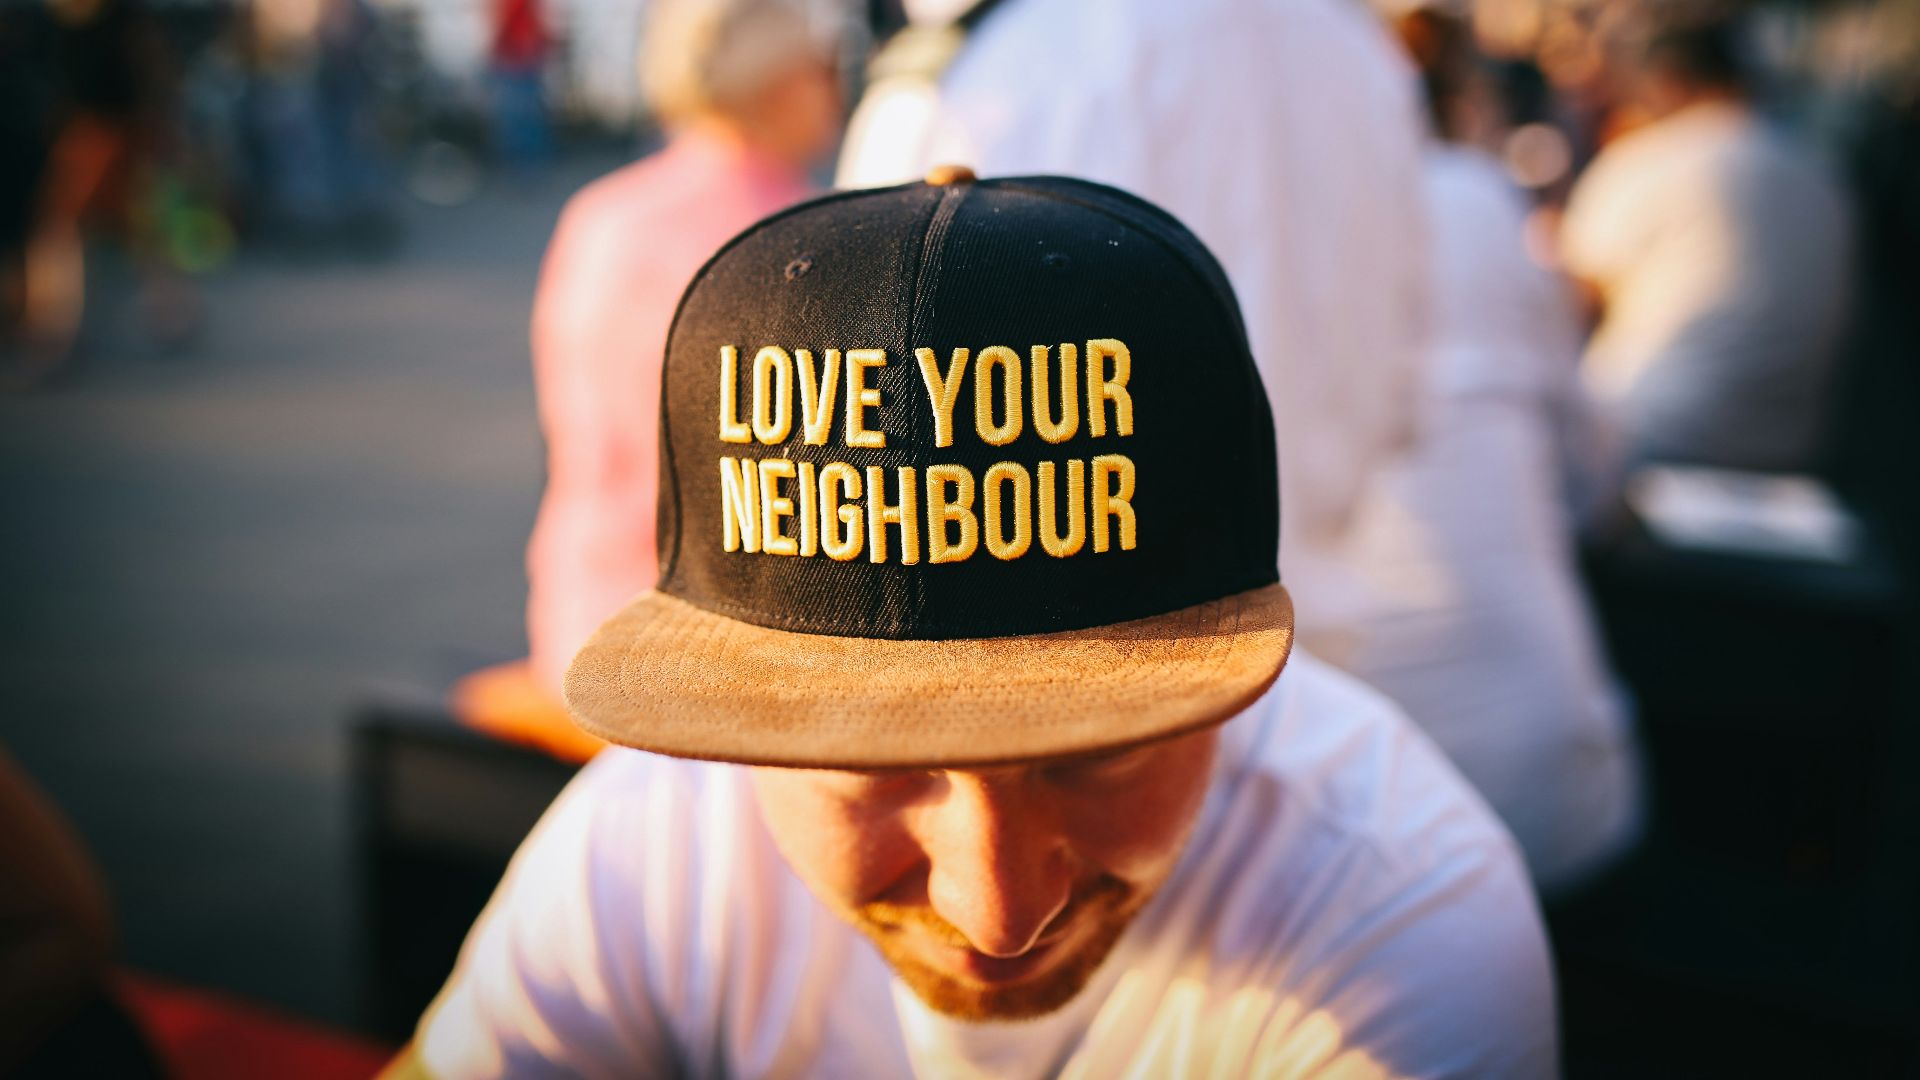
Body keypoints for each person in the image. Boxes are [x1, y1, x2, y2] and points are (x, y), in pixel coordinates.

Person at [386, 171, 1555, 1077]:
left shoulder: (1397, 910)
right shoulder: (664, 834)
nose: (994, 911)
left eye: (1101, 755)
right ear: (737, 728)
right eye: (863, 767)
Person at [836, 0, 1433, 662]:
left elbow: (879, 395)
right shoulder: (1354, 44)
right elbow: (1412, 355)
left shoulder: (1005, 66)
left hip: (1077, 668)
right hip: (1321, 629)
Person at [1338, 4, 1642, 894]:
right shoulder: (1477, 201)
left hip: (1365, 839)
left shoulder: (1275, 227)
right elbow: (1588, 468)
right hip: (1561, 788)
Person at [520, 0, 843, 705]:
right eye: (825, 67)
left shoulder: (603, 214)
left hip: (582, 603)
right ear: (777, 83)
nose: (837, 88)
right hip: (728, 642)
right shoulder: (807, 237)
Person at [1560, 9, 1853, 473]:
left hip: (1644, 438)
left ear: (1666, 82)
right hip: (1789, 453)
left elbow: (1567, 305)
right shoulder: (1823, 173)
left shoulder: (1646, 161)